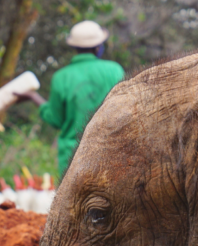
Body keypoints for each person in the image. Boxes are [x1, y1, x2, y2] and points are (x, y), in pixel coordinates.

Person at [15, 20, 125, 177]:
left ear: (75, 48)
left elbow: (55, 119)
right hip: (110, 153)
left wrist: (34, 97)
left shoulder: (61, 78)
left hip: (73, 159)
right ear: (98, 47)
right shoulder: (114, 71)